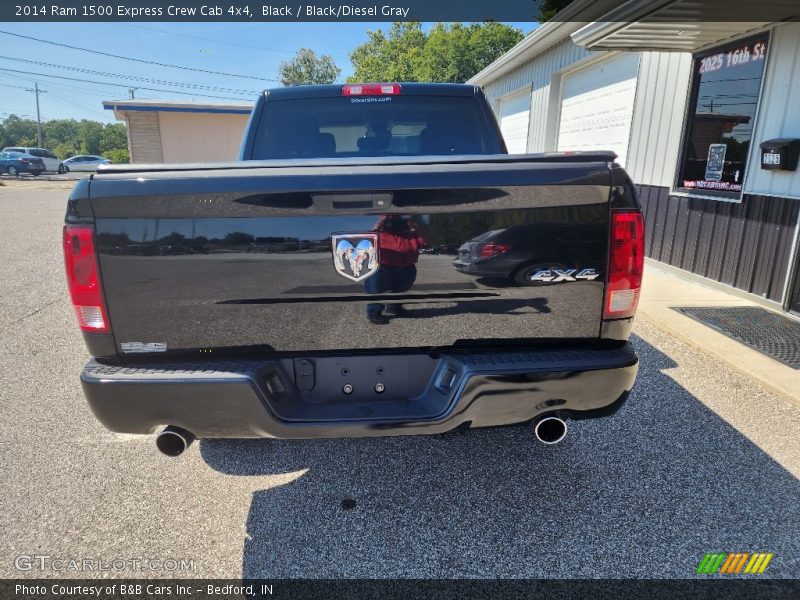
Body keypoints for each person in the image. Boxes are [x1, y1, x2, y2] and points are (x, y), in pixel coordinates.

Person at [364, 215, 424, 324]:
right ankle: (374, 312)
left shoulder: (410, 234)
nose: (396, 225)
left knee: (403, 287)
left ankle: (394, 306)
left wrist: (416, 228)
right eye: (392, 222)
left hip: (407, 267)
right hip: (383, 267)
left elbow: (423, 242)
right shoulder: (379, 234)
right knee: (375, 289)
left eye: (400, 222)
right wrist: (377, 227)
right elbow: (366, 244)